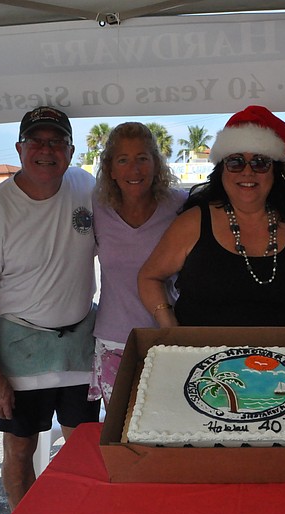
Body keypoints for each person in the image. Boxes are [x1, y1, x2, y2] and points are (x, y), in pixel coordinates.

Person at [0, 106, 100, 510]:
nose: (46, 150)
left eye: (56, 141)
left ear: (70, 150)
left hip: (78, 342)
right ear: (20, 148)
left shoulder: (86, 188)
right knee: (19, 452)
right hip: (19, 346)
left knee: (84, 449)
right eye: (36, 141)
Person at [139, 105, 285, 328]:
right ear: (222, 170)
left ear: (275, 172)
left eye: (260, 162)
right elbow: (149, 277)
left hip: (282, 360)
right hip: (201, 358)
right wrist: (170, 327)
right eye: (236, 162)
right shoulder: (192, 223)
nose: (248, 172)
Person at [91, 122, 188, 406]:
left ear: (156, 164)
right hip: (113, 342)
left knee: (168, 427)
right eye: (123, 160)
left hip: (168, 336)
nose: (134, 170)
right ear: (110, 169)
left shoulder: (181, 205)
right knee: (121, 432)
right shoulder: (96, 206)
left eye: (143, 159)